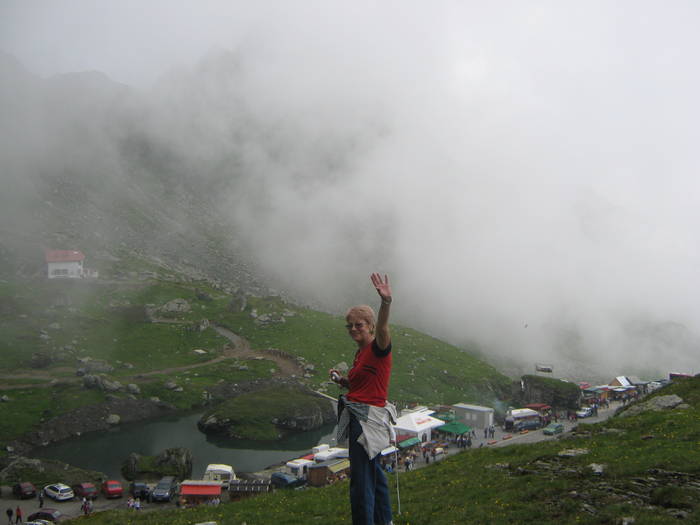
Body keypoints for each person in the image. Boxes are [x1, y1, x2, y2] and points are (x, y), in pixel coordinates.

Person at [330, 273, 396, 525]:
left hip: (366, 420)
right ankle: (384, 520)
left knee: (361, 480)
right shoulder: (360, 354)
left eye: (359, 324)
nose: (354, 329)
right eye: (350, 325)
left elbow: (384, 329)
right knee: (374, 475)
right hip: (367, 416)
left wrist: (386, 302)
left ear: (369, 325)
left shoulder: (378, 348)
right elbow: (362, 384)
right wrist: (342, 381)